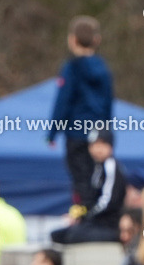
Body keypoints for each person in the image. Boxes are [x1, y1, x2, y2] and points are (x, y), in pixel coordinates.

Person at [47, 15, 114, 211]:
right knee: (97, 176)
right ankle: (97, 210)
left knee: (79, 177)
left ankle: (84, 212)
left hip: (76, 134)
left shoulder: (71, 68)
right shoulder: (104, 69)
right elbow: (109, 103)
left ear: (72, 40)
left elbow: (63, 101)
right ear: (97, 40)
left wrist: (52, 133)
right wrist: (106, 134)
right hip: (98, 135)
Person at [50, 129, 126, 244]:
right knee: (57, 235)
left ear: (110, 146)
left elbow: (107, 201)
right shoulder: (97, 168)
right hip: (95, 223)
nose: (97, 149)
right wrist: (78, 214)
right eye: (93, 145)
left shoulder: (111, 166)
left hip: (109, 225)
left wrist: (87, 216)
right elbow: (90, 199)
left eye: (102, 144)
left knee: (72, 236)